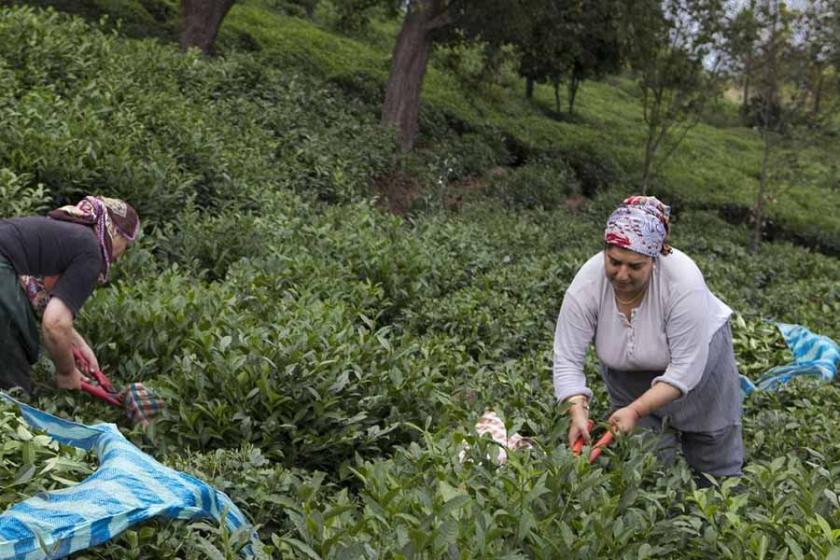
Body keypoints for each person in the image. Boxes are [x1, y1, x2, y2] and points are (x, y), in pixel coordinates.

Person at [552, 195, 743, 480]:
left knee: (712, 453)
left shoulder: (683, 282)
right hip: (628, 379)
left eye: (635, 266)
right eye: (614, 262)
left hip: (700, 375)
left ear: (654, 260)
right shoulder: (587, 285)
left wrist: (637, 409)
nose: (622, 274)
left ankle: (716, 516)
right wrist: (577, 410)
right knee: (649, 465)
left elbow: (685, 370)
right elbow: (567, 358)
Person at [0, 196, 139, 394]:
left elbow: (37, 296)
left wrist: (78, 344)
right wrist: (67, 373)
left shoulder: (67, 233)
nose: (121, 255)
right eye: (127, 244)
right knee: (13, 391)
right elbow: (54, 324)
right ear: (116, 232)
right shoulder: (92, 252)